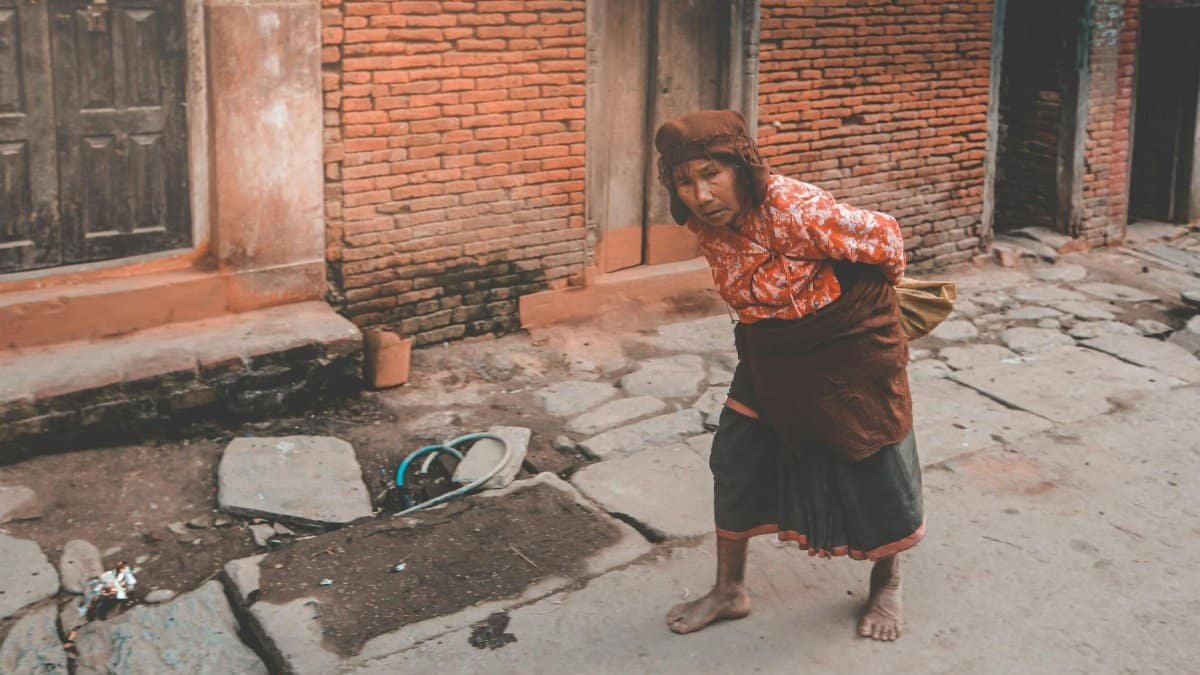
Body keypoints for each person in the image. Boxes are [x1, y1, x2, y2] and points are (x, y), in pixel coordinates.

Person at [654, 110, 923, 642]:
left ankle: (887, 580)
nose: (701, 194)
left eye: (712, 174)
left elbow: (887, 242)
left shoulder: (796, 208)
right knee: (735, 456)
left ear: (742, 169)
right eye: (686, 181)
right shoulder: (708, 226)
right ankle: (730, 589)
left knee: (872, 459)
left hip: (851, 348)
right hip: (772, 350)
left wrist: (862, 320)